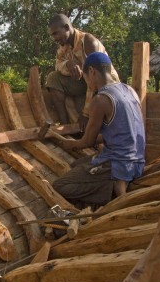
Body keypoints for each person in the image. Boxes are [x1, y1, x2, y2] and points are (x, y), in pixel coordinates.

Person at [52, 52, 145, 208]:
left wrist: (69, 144)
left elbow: (87, 141)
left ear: (92, 72)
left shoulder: (101, 100)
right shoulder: (129, 90)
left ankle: (111, 193)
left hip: (119, 164)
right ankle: (110, 186)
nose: (86, 82)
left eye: (86, 77)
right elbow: (124, 130)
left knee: (60, 186)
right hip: (138, 162)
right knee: (77, 164)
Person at [45, 14, 120, 130]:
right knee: (53, 78)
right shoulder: (62, 47)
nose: (54, 38)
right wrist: (68, 64)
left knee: (92, 118)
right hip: (85, 84)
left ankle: (96, 129)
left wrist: (86, 114)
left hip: (105, 87)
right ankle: (66, 127)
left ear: (66, 28)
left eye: (56, 33)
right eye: (52, 35)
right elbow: (58, 66)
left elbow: (96, 78)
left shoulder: (88, 42)